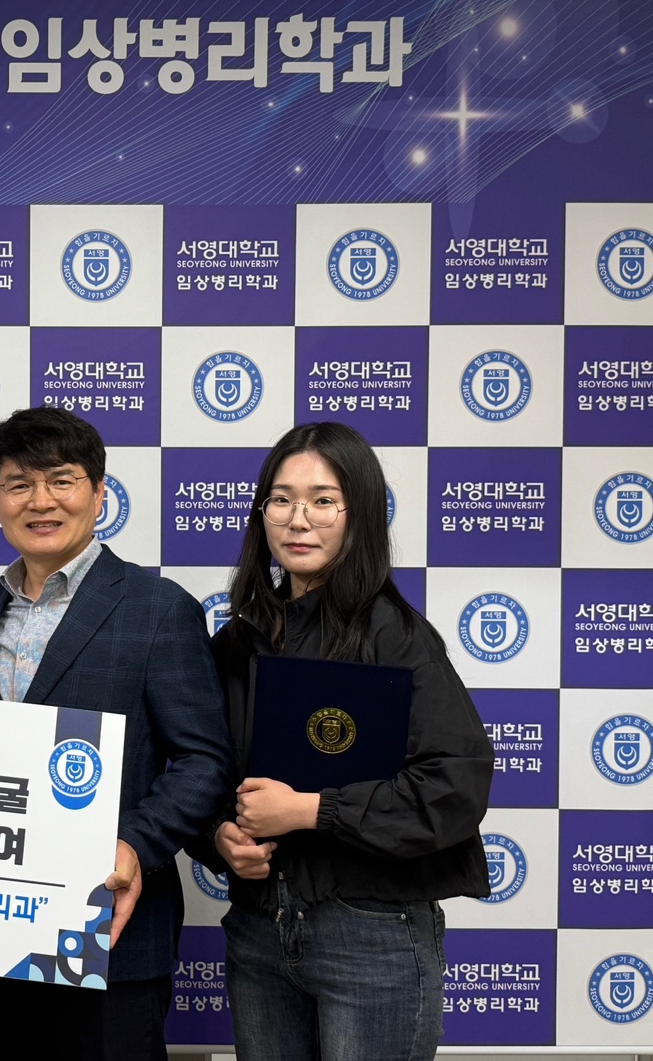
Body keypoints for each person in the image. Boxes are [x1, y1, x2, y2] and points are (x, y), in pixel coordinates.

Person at [204, 422, 493, 1061]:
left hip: (371, 936)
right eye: (281, 500)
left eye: (323, 501)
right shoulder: (237, 644)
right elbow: (202, 772)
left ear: (357, 514)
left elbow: (454, 784)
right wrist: (220, 836)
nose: (298, 520)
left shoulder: (396, 637)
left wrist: (312, 810)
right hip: (258, 930)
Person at [0, 407, 232, 1061]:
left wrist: (134, 843)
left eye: (62, 480)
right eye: (19, 484)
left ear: (99, 493)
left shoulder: (158, 608)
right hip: (1, 929)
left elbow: (204, 760)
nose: (41, 501)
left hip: (113, 927)